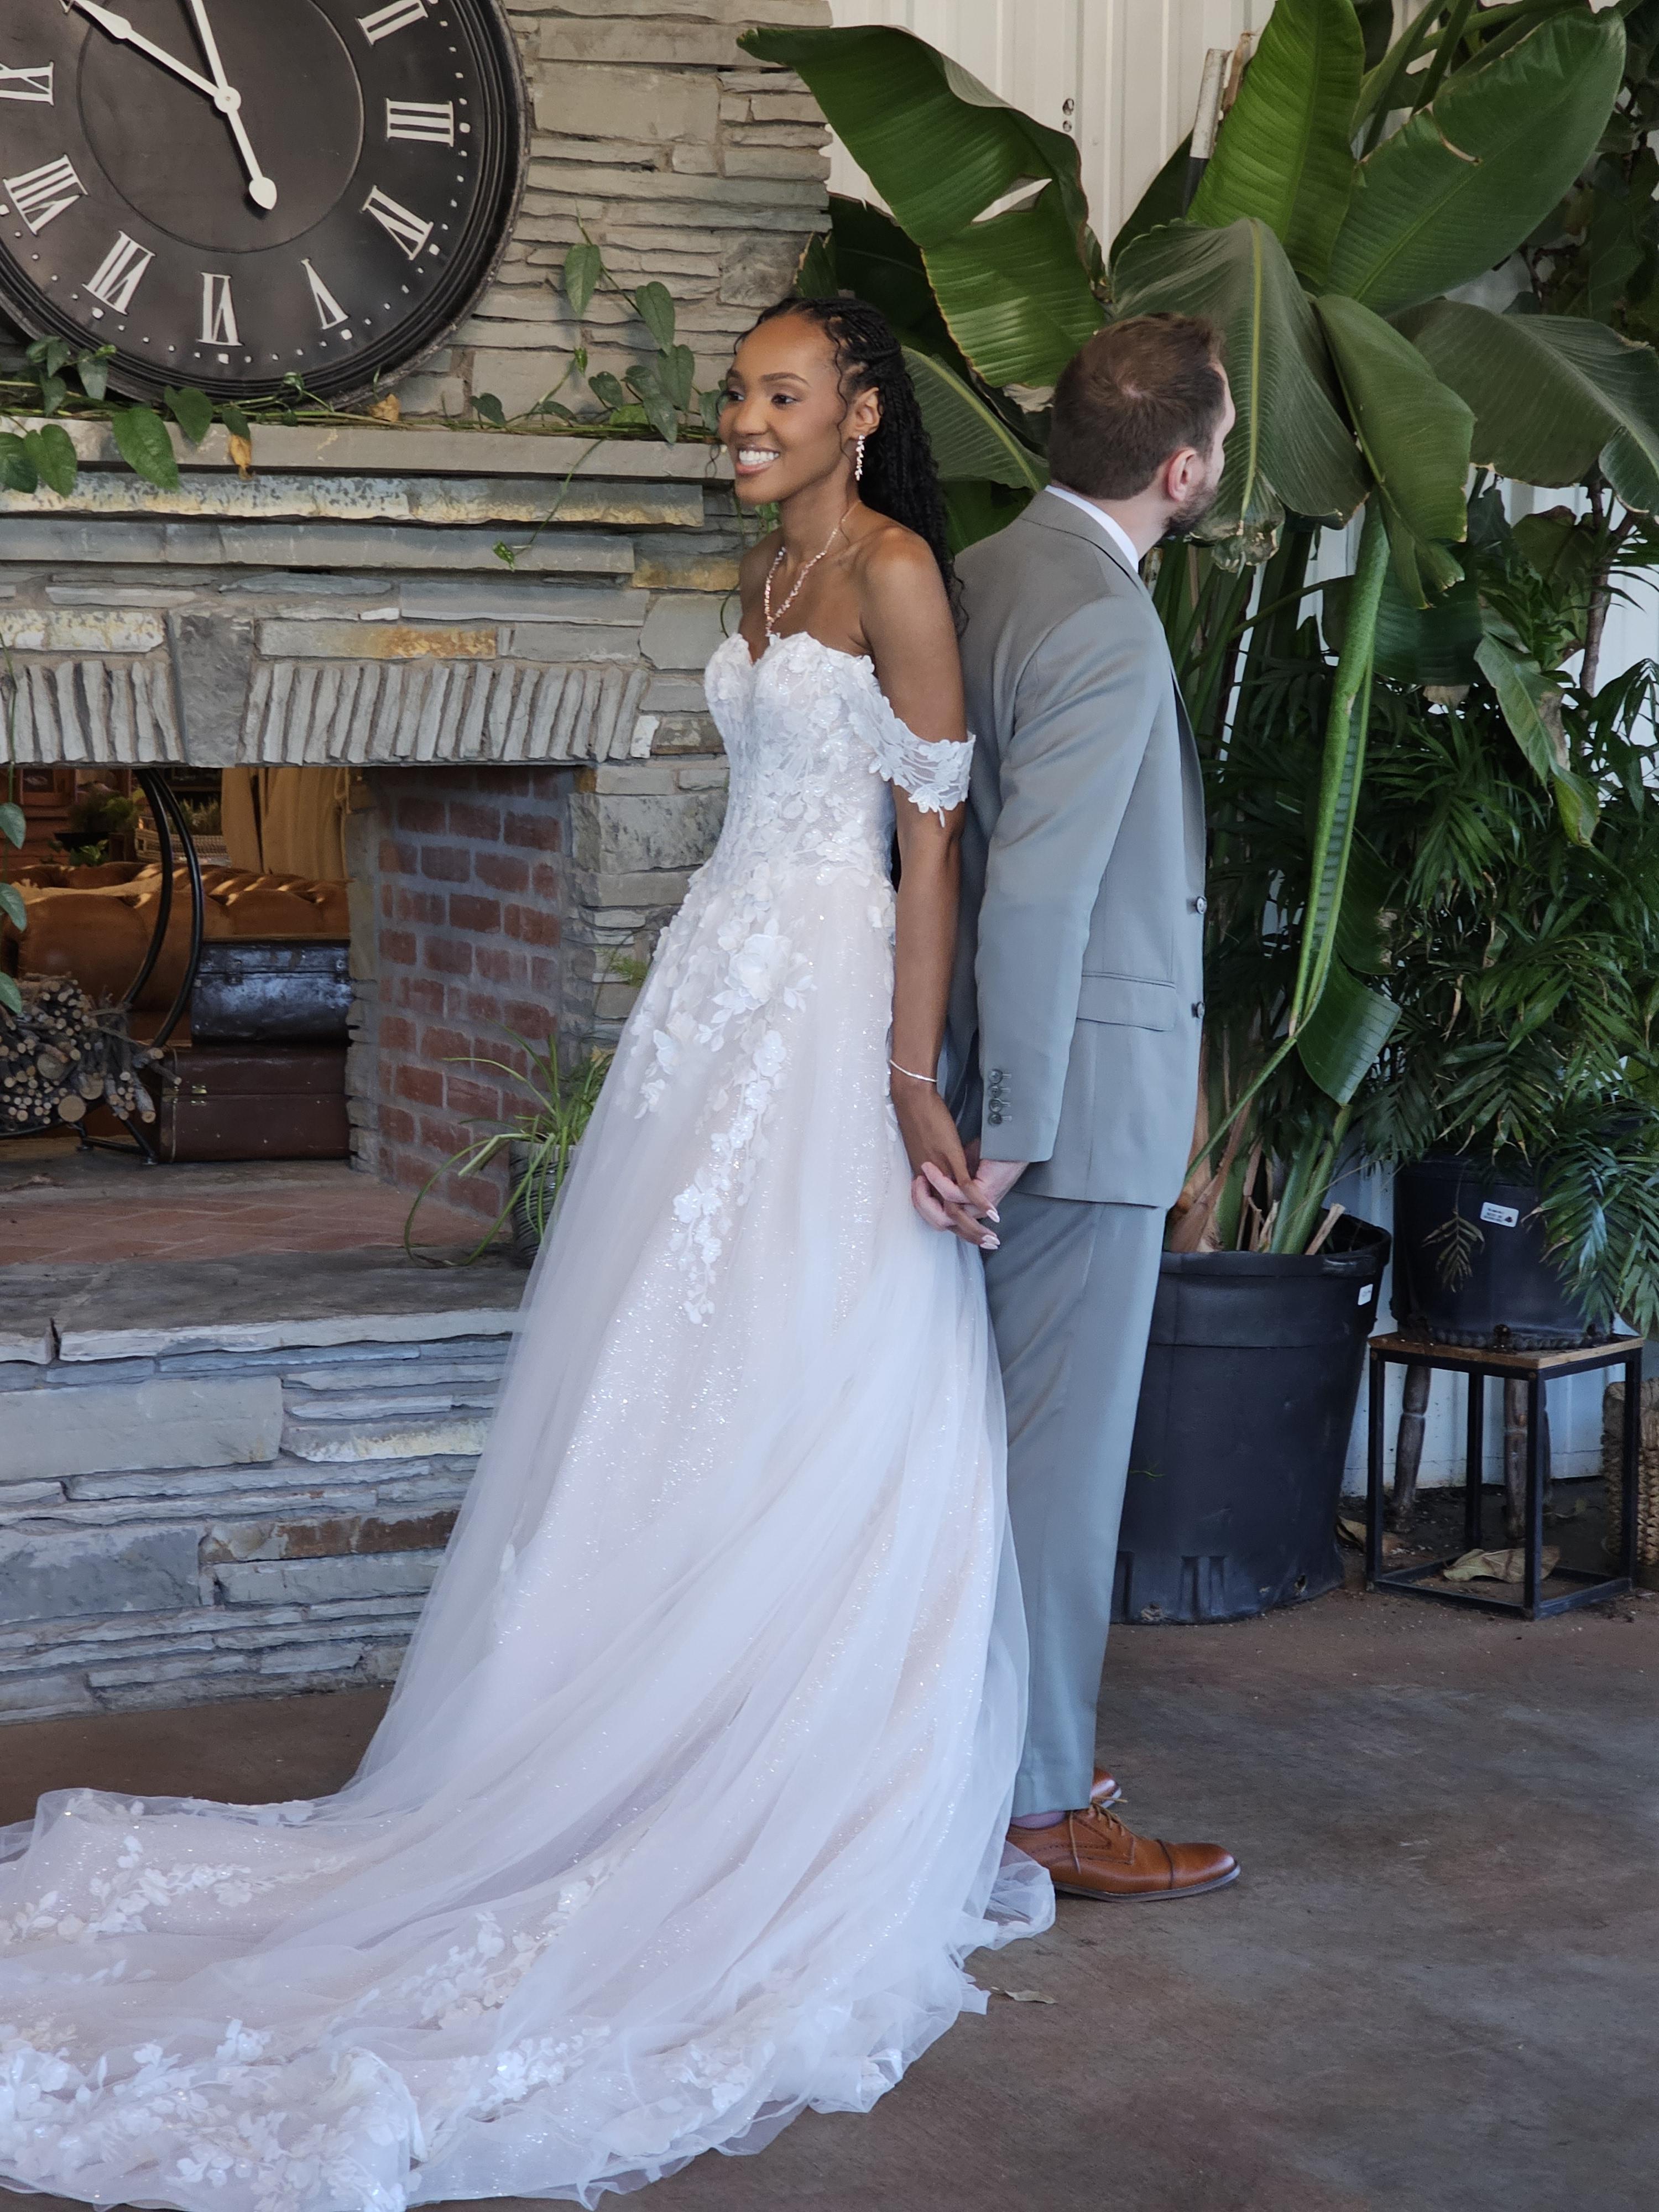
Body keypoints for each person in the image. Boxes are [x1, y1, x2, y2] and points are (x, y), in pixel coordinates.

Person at [0, 298, 1051, 2212]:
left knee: (814, 1345)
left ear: (858, 412)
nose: (742, 417)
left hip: (825, 1011)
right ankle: (619, 1711)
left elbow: (931, 852)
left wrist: (911, 1081)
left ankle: (773, 1742)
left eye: (780, 394)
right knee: (670, 1355)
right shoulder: (763, 566)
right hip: (718, 993)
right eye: (735, 392)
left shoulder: (897, 573)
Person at [932, 313, 1242, 1900]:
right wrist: (1018, 1127)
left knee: (984, 1455)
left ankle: (1001, 1740)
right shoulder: (1106, 622)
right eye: (1222, 445)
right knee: (1056, 1476)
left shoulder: (977, 574)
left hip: (981, 1074)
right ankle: (1043, 1802)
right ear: (1180, 471)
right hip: (1061, 1113)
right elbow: (1041, 891)